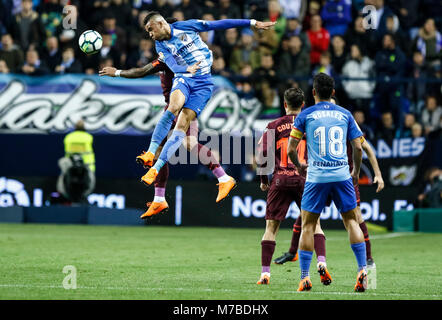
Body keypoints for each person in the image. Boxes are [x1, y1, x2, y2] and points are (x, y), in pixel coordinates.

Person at [136, 12, 275, 191]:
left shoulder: (187, 26)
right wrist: (186, 68)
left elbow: (219, 24)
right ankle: (150, 154)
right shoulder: (159, 44)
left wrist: (252, 22)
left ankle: (156, 170)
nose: (149, 34)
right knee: (173, 107)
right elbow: (172, 64)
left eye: (150, 29)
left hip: (203, 83)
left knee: (183, 128)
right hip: (184, 78)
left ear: (161, 23)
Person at [99, 52, 237, 216]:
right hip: (173, 109)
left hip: (183, 107)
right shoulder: (169, 58)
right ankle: (159, 199)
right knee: (163, 150)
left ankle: (223, 178)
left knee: (188, 144)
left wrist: (117, 72)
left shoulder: (173, 59)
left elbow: (141, 72)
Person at [274, 96, 384, 271]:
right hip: (342, 177)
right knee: (309, 217)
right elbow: (362, 149)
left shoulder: (343, 122)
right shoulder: (341, 119)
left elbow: (366, 149)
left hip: (331, 176)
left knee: (351, 218)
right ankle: (292, 252)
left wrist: (377, 174)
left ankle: (368, 259)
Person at [288, 73, 367, 292]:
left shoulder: (305, 115)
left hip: (316, 177)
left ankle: (305, 277)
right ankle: (362, 269)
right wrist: (355, 171)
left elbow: (291, 149)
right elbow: (358, 147)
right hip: (342, 175)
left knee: (308, 225)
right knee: (352, 221)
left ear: (313, 92)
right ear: (333, 92)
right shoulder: (345, 114)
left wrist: (298, 165)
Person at [57, 120, 96, 203]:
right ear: (84, 128)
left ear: (75, 128)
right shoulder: (88, 137)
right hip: (87, 165)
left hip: (71, 164)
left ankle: (63, 196)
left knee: (62, 180)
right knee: (90, 184)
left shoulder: (68, 137)